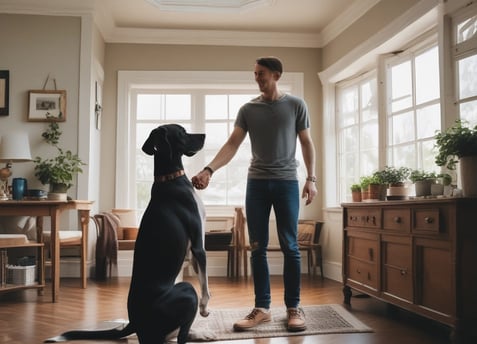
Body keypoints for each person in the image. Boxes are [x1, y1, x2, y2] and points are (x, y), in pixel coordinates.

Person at [192, 56, 317, 332]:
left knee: (290, 246)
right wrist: (209, 170)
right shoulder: (248, 109)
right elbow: (232, 143)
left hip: (286, 183)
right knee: (257, 247)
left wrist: (311, 178)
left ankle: (294, 308)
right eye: (255, 74)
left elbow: (307, 142)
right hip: (257, 184)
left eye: (261, 74)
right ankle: (262, 309)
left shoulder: (296, 105)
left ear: (276, 75)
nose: (257, 78)